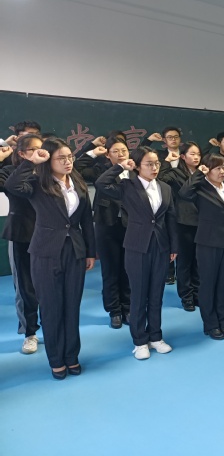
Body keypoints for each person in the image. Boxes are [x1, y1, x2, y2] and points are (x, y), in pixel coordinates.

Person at [4, 138, 96, 379]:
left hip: (75, 251)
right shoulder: (37, 182)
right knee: (51, 307)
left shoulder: (77, 182)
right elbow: (11, 185)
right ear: (49, 161)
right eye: (61, 158)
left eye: (70, 157)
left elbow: (86, 220)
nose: (67, 162)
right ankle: (56, 360)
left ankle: (72, 356)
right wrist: (31, 162)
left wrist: (90, 252)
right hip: (45, 252)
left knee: (72, 306)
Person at [95, 146, 178, 360]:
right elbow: (101, 183)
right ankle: (140, 340)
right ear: (138, 166)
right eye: (149, 164)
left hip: (161, 246)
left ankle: (156, 336)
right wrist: (121, 166)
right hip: (136, 246)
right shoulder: (127, 186)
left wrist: (174, 247)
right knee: (139, 294)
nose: (154, 167)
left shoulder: (165, 188)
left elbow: (170, 218)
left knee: (157, 294)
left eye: (157, 163)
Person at [179, 154, 224, 339]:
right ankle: (211, 323)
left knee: (222, 284)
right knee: (208, 284)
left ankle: (223, 320)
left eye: (223, 167)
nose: (222, 171)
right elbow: (184, 193)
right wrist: (199, 173)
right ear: (207, 170)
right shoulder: (200, 188)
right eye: (217, 168)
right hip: (207, 242)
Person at [74, 133, 132, 328]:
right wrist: (92, 151)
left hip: (131, 226)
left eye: (124, 150)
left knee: (128, 269)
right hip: (107, 225)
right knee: (110, 270)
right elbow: (77, 168)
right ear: (108, 155)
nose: (121, 154)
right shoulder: (101, 169)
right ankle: (114, 310)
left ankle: (128, 307)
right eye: (115, 151)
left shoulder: (135, 170)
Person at [0, 135, 41, 353]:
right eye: (32, 149)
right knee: (25, 287)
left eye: (41, 148)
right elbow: (11, 186)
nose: (38, 152)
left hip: (47, 234)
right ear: (22, 153)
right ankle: (29, 332)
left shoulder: (49, 171)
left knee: (49, 285)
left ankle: (53, 327)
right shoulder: (10, 172)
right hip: (22, 233)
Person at [158, 142, 202, 312]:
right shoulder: (176, 173)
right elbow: (160, 179)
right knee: (185, 262)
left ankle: (197, 293)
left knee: (198, 261)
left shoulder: (203, 172)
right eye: (192, 154)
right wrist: (167, 162)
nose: (196, 157)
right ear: (183, 156)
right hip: (183, 222)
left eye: (198, 154)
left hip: (201, 221)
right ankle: (186, 296)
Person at [142, 127, 182, 285]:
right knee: (167, 234)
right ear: (164, 140)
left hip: (183, 201)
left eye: (176, 136)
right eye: (170, 137)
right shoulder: (159, 156)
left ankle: (182, 271)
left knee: (180, 237)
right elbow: (140, 154)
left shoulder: (185, 154)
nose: (173, 139)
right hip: (164, 200)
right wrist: (149, 140)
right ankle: (169, 272)